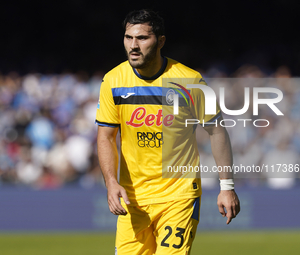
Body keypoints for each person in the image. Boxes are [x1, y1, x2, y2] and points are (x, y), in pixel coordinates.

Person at [96, 9, 240, 255]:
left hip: (178, 195)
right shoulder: (113, 81)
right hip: (134, 200)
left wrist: (226, 186)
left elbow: (217, 132)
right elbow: (106, 137)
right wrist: (111, 183)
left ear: (161, 41)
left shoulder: (190, 81)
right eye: (128, 37)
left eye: (142, 38)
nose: (133, 45)